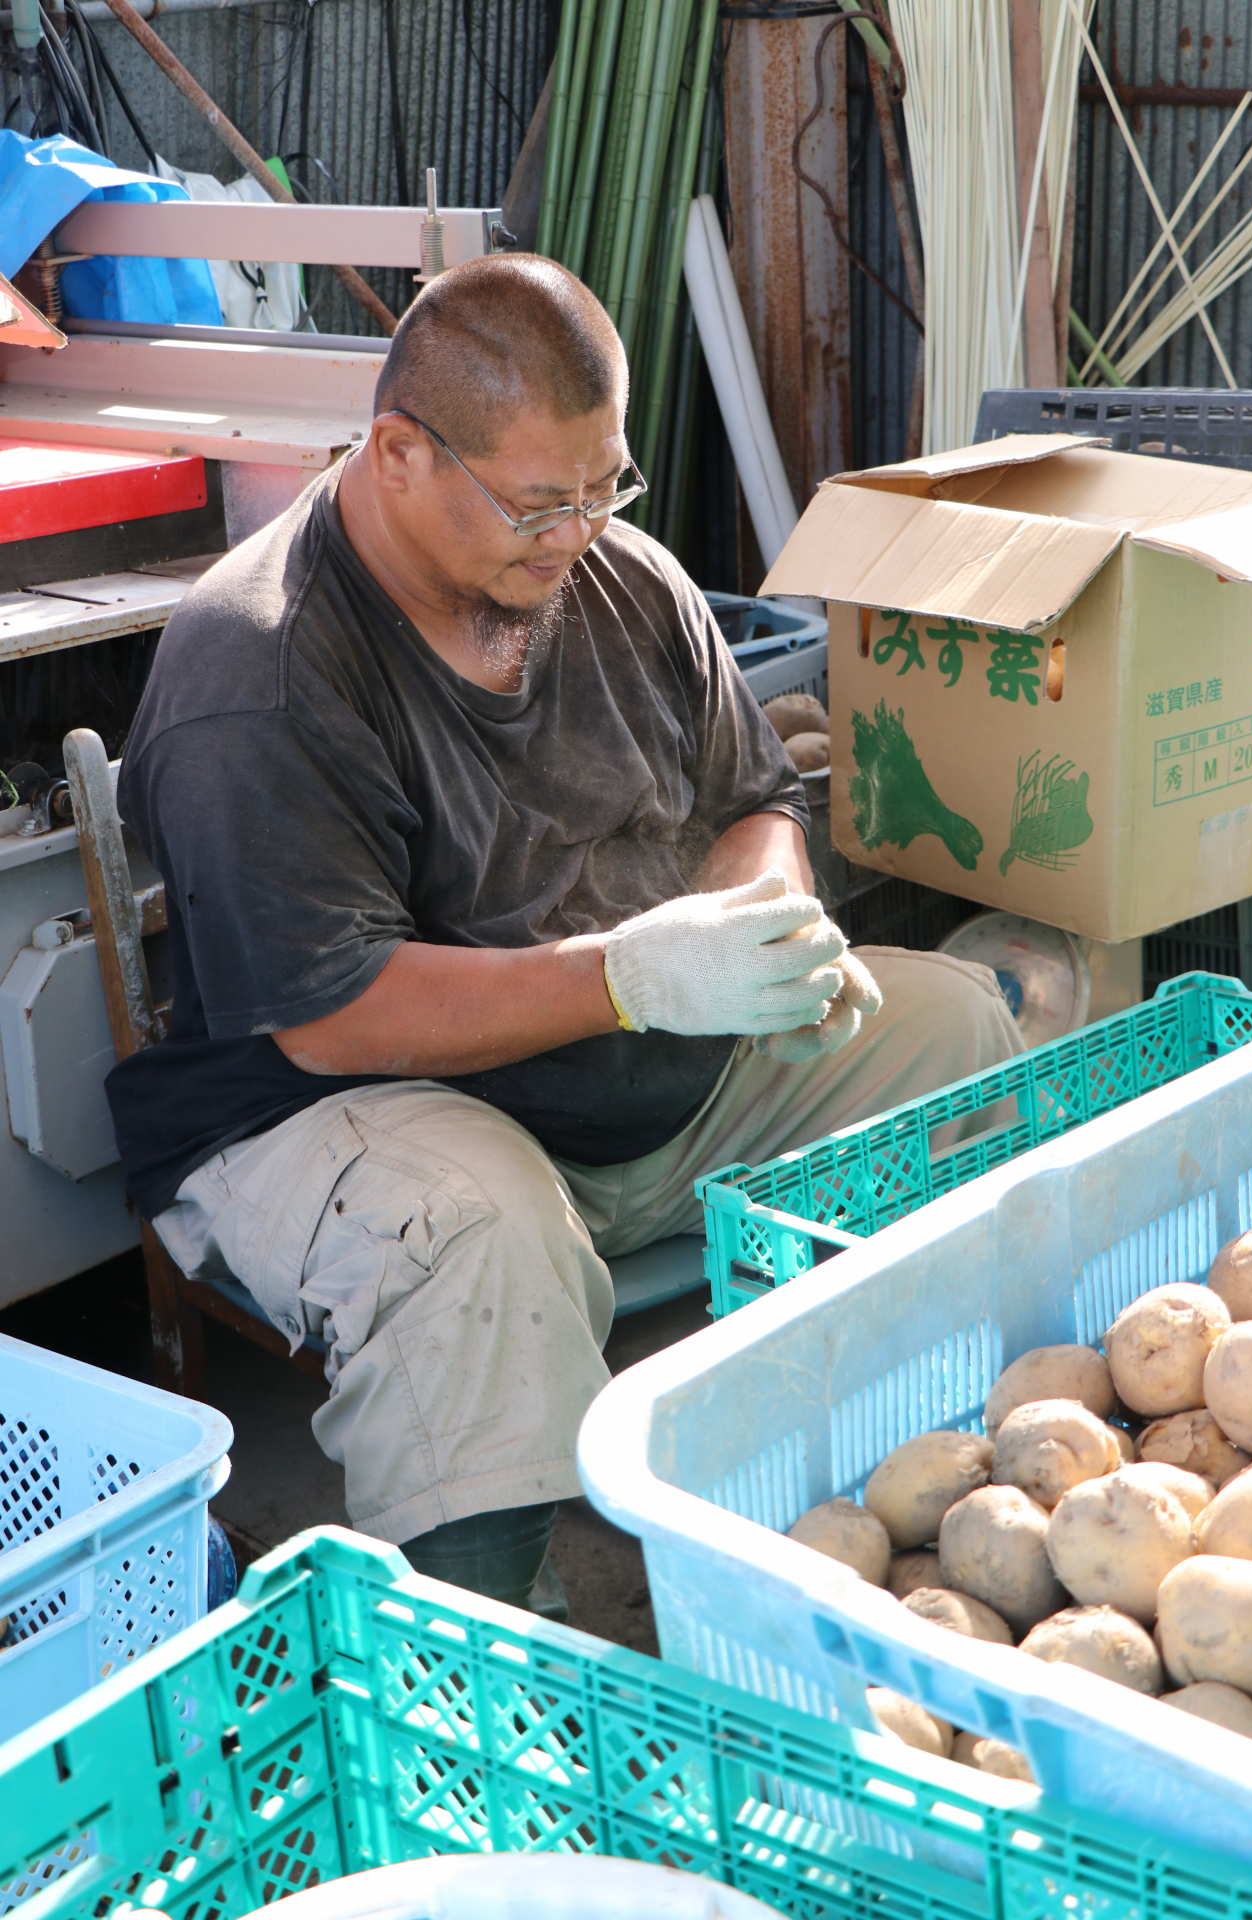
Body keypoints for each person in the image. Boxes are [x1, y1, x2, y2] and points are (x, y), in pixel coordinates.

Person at [107, 256, 1021, 1614]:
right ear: (401, 454)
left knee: (958, 1033)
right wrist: (639, 977)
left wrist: (764, 924)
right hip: (355, 1103)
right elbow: (336, 1008)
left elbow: (753, 795)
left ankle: (912, 1493)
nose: (582, 530)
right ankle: (484, 1652)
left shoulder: (623, 581)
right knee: (474, 1234)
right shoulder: (262, 663)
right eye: (544, 501)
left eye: (609, 486)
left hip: (640, 1078)